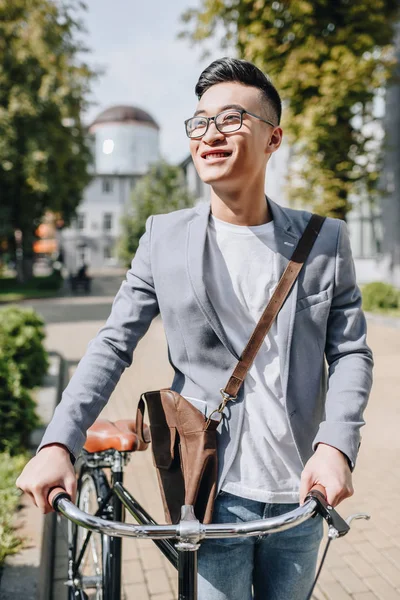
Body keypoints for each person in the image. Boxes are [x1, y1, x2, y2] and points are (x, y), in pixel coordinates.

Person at [17, 57, 373, 599]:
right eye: (199, 121)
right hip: (208, 491)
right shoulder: (163, 238)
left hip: (304, 489)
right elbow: (113, 344)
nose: (210, 133)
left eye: (231, 119)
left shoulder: (325, 241)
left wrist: (337, 446)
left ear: (273, 138)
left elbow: (350, 352)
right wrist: (57, 443)